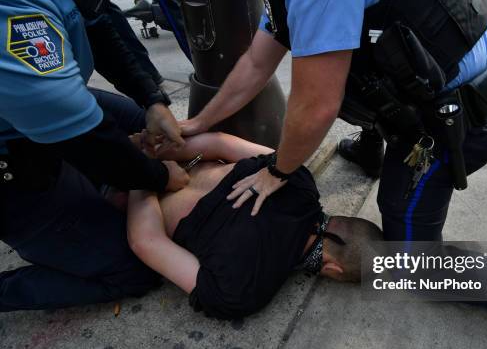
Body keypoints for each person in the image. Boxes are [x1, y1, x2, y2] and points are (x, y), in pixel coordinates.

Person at [177, 0, 487, 349]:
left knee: (413, 262)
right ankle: (373, 147)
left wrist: (279, 171)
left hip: (450, 124)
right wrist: (198, 124)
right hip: (425, 83)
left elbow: (317, 106)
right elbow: (256, 63)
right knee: (358, 64)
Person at [0, 0, 189, 311]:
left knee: (140, 125)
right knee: (133, 268)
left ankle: (94, 186)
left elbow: (98, 25)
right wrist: (159, 177)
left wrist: (151, 99)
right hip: (12, 164)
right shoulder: (13, 15)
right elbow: (87, 139)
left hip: (40, 103)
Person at [127, 132, 383, 319]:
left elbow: (219, 142)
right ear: (334, 270)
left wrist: (150, 156)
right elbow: (145, 241)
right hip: (129, 189)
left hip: (154, 147)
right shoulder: (244, 291)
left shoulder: (298, 177)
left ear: (344, 219)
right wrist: (137, 173)